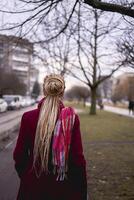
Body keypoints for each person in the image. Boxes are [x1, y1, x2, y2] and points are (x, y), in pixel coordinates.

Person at [13, 74, 87, 200]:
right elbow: (77, 159)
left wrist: (26, 177)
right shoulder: (71, 119)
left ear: (44, 90)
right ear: (62, 92)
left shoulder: (28, 117)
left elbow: (19, 155)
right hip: (62, 188)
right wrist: (80, 190)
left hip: (32, 188)